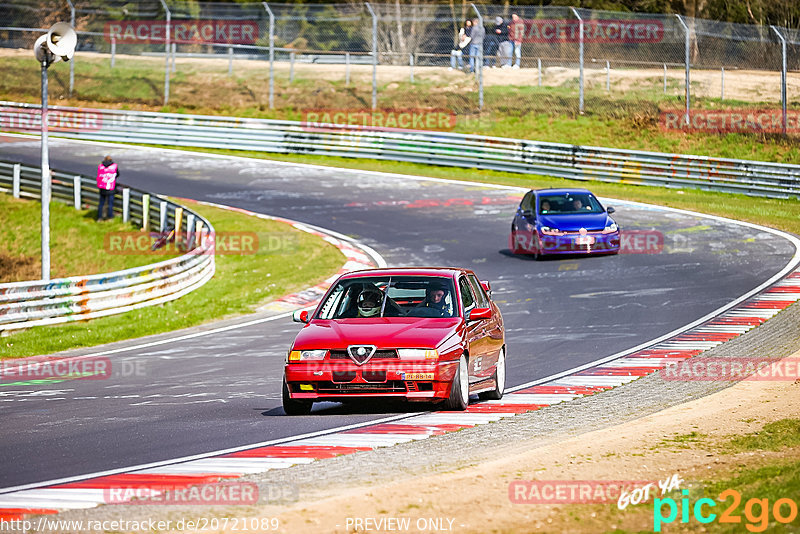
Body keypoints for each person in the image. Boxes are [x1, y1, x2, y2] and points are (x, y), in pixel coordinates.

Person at [96, 155, 119, 221]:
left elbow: (98, 175)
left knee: (101, 203)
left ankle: (99, 217)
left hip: (102, 187)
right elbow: (117, 174)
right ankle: (110, 217)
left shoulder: (100, 166)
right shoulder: (114, 166)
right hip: (111, 187)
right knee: (110, 204)